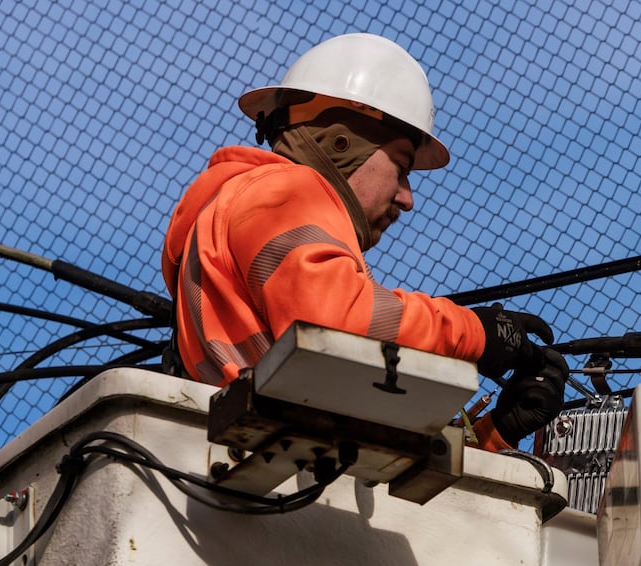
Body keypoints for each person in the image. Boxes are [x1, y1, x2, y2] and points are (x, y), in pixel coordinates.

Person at [161, 33, 565, 451]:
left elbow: (337, 434)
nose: (407, 198)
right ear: (343, 145)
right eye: (402, 167)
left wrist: (492, 435)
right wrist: (475, 333)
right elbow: (338, 323)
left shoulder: (245, 214)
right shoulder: (283, 190)